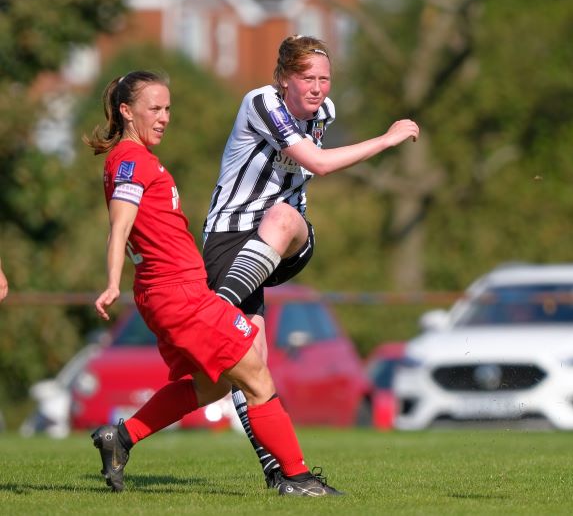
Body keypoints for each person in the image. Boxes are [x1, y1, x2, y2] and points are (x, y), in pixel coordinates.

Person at [84, 70, 341, 496]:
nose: (164, 117)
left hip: (173, 291)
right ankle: (296, 478)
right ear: (126, 112)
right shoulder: (131, 161)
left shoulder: (136, 158)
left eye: (168, 108)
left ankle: (122, 437)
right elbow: (119, 225)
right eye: (155, 109)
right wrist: (111, 282)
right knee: (256, 377)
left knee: (212, 384)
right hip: (177, 294)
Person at [202, 35, 420, 484]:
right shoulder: (261, 102)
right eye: (307, 78)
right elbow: (316, 163)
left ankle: (215, 312)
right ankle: (126, 436)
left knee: (284, 214)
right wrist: (387, 139)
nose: (318, 87)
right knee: (248, 369)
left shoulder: (325, 113)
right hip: (228, 240)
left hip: (282, 238)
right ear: (283, 79)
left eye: (324, 78)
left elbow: (313, 166)